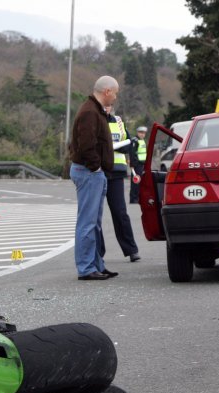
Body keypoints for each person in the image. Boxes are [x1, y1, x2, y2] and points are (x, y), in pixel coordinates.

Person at [68, 76, 120, 281]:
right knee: (87, 223)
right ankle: (86, 268)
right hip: (89, 172)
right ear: (107, 91)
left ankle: (96, 264)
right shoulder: (90, 112)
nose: (115, 97)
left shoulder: (96, 111)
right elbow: (86, 144)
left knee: (94, 224)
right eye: (115, 93)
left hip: (94, 173)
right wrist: (96, 167)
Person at [100, 104, 141, 263]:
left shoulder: (118, 122)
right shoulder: (94, 120)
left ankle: (131, 250)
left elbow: (128, 143)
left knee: (120, 212)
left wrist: (117, 147)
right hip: (98, 171)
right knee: (96, 215)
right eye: (104, 105)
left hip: (116, 172)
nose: (106, 108)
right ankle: (98, 253)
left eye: (109, 106)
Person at [129, 125, 148, 204]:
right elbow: (132, 153)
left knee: (140, 182)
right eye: (141, 132)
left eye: (144, 133)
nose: (142, 134)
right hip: (136, 164)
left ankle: (138, 197)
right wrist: (133, 164)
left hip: (142, 164)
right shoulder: (135, 140)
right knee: (136, 182)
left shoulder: (142, 140)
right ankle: (134, 199)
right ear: (137, 132)